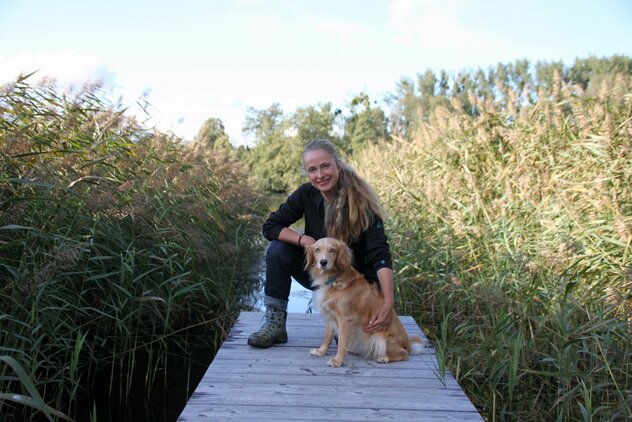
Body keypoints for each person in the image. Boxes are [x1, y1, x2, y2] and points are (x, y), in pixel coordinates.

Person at [248, 139, 395, 348]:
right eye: (312, 169)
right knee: (277, 250)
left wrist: (387, 302)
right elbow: (270, 226)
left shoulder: (362, 203)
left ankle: (345, 320)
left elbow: (380, 255)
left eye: (325, 166)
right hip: (322, 274)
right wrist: (303, 239)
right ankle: (275, 324)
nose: (320, 175)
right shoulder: (306, 194)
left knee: (352, 346)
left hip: (354, 284)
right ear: (307, 173)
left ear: (337, 165)